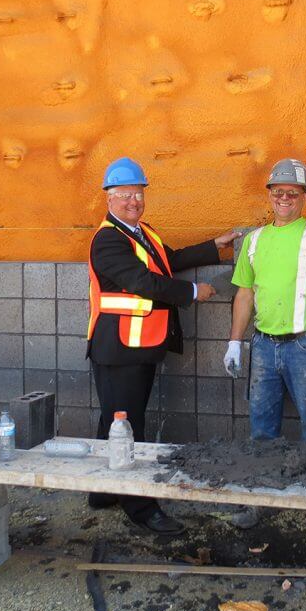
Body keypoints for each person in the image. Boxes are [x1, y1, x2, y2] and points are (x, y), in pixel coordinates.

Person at [87, 156, 240, 535]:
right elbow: (144, 282)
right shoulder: (108, 239)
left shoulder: (142, 232)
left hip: (138, 344)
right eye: (124, 195)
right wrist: (193, 292)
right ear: (108, 198)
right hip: (118, 347)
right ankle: (140, 507)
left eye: (138, 194)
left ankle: (102, 491)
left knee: (114, 417)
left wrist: (212, 247)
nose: (133, 201)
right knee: (127, 423)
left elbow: (166, 261)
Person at [223, 158, 306, 538]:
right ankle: (260, 498)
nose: (284, 199)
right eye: (277, 193)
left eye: (292, 194)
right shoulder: (255, 240)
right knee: (261, 429)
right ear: (269, 195)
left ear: (304, 197)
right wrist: (234, 340)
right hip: (263, 348)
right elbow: (244, 295)